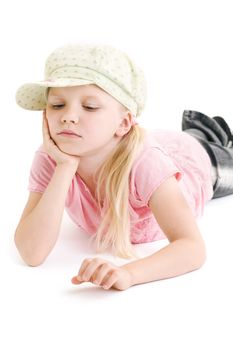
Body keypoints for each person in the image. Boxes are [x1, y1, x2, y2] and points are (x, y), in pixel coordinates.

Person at [14, 44, 233, 291]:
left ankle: (205, 134)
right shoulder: (51, 159)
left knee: (219, 155)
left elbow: (192, 247)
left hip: (195, 162)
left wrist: (128, 274)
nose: (68, 116)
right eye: (57, 105)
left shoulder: (147, 164)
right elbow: (31, 253)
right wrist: (65, 168)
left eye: (89, 107)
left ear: (124, 122)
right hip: (149, 142)